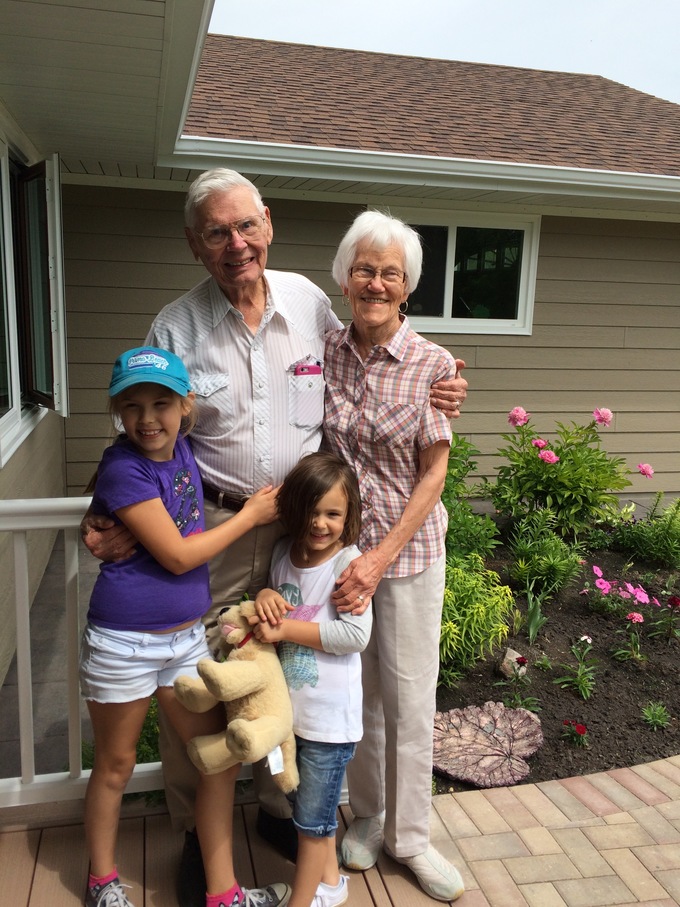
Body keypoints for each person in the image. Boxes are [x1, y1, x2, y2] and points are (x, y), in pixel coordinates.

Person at [81, 168, 468, 906]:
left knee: (293, 673)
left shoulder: (308, 303)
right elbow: (141, 430)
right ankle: (198, 836)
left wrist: (442, 380)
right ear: (195, 244)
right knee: (207, 682)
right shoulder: (177, 327)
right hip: (217, 529)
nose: (237, 243)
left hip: (304, 535)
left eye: (246, 226)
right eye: (218, 232)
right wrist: (102, 515)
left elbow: (382, 345)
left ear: (269, 225)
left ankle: (285, 810)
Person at [79, 346, 288, 907]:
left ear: (185, 407)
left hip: (184, 638)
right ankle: (102, 882)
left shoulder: (185, 449)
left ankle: (223, 892)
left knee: (218, 756)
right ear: (117, 411)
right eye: (132, 405)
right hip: (124, 641)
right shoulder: (125, 467)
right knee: (116, 764)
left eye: (161, 404)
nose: (148, 418)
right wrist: (250, 516)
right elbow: (176, 557)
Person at [321, 210, 466, 901]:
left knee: (409, 697)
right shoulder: (326, 350)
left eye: (390, 273)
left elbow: (434, 473)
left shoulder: (432, 365)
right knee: (360, 693)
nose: (375, 283)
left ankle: (412, 838)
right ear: (345, 278)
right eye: (364, 270)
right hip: (342, 557)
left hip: (406, 559)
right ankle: (370, 816)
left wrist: (379, 557)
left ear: (406, 287)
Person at [250, 451, 372, 907]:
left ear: (349, 514)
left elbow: (353, 635)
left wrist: (284, 629)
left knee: (311, 826)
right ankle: (332, 886)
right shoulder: (283, 553)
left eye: (332, 514)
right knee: (305, 811)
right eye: (311, 512)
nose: (320, 523)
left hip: (328, 724)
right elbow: (274, 600)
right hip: (291, 718)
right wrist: (265, 594)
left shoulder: (347, 565)